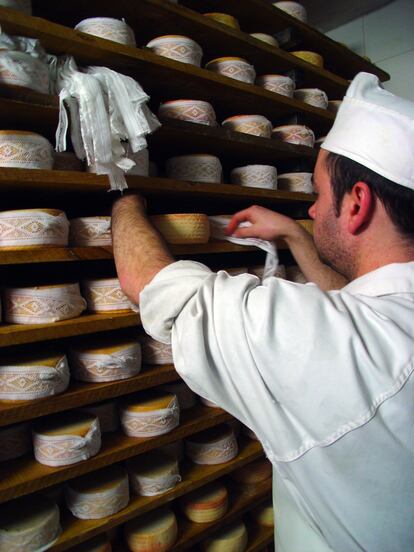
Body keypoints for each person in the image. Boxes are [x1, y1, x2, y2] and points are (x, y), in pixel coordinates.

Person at [111, 73, 414, 552]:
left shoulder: (337, 349)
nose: (312, 213)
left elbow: (153, 287)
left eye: (318, 197)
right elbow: (355, 305)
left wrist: (122, 196)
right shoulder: (392, 313)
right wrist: (295, 237)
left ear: (357, 204)